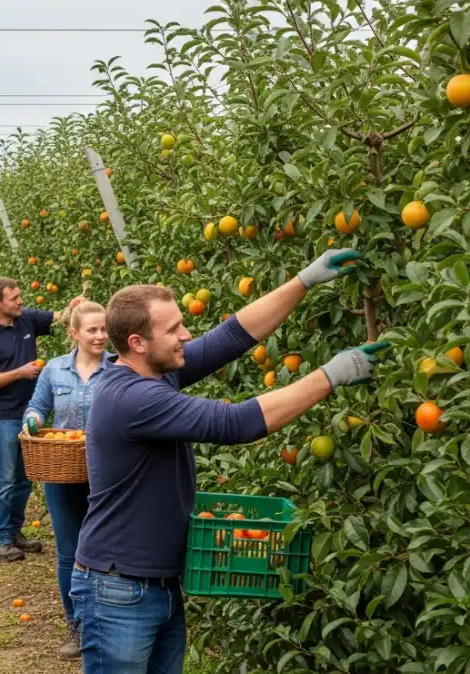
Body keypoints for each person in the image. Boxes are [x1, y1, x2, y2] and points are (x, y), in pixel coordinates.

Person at [72, 249, 385, 673]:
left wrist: (304, 280)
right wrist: (333, 373)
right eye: (174, 329)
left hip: (155, 584)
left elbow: (231, 336)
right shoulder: (133, 398)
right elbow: (237, 423)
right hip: (118, 589)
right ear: (137, 343)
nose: (186, 335)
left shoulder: (153, 371)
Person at [21, 300, 113, 660]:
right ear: (74, 333)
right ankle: (75, 623)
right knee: (68, 551)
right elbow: (37, 407)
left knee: (107, 549)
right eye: (92, 330)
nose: (100, 335)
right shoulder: (54, 371)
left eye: (104, 329)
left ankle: (104, 623)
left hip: (108, 473)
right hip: (60, 471)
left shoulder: (119, 370)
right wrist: (31, 421)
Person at [0, 276, 83, 562]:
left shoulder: (27, 319)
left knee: (24, 478)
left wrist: (73, 308)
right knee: (4, 477)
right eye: (14, 298)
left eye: (20, 295)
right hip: (5, 416)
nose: (20, 301)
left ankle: (14, 532)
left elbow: (61, 319)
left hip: (32, 413)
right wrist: (19, 373)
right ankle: (0, 539)